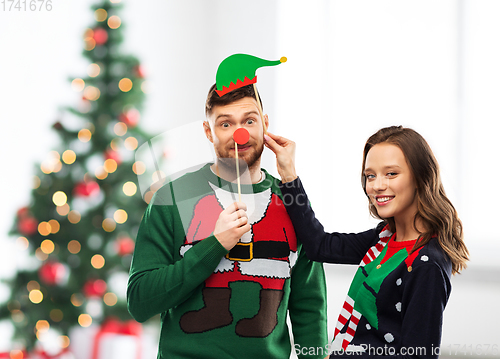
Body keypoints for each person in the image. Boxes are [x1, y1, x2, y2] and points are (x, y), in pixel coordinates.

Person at [127, 84, 328, 358]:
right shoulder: (172, 198)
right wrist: (215, 245)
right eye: (225, 123)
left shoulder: (294, 202)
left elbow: (309, 307)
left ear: (264, 124)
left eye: (249, 120)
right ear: (209, 131)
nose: (240, 134)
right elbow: (140, 302)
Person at [264, 126, 469, 358]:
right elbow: (319, 245)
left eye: (391, 173)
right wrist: (289, 176)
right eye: (370, 175)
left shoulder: (426, 264)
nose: (377, 185)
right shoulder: (383, 239)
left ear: (421, 177)